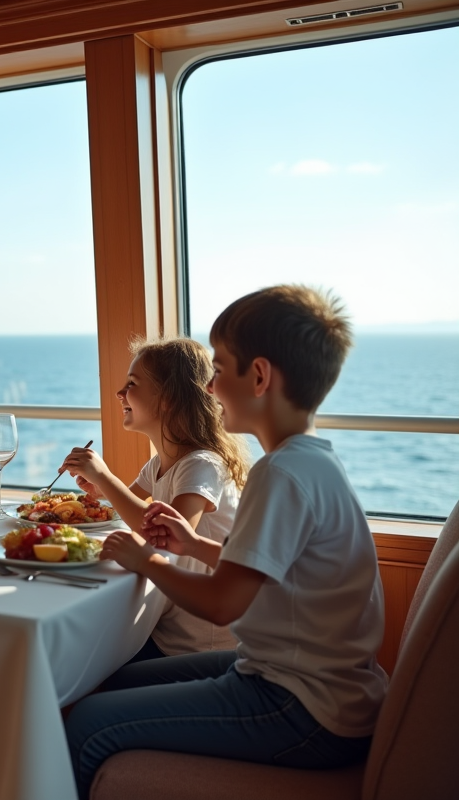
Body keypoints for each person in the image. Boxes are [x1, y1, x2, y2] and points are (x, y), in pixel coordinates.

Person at [64, 285, 387, 799]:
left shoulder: (280, 473)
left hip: (300, 705)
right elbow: (274, 570)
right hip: (319, 686)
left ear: (258, 376)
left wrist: (145, 558)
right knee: (116, 683)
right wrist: (193, 545)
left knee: (85, 724)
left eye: (219, 370)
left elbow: (221, 603)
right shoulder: (312, 461)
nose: (210, 387)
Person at [58, 337, 248, 661]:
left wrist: (105, 476)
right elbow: (128, 507)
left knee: (86, 659)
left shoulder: (202, 465)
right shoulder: (161, 462)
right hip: (168, 626)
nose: (120, 394)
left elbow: (162, 533)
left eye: (132, 384)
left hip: (202, 647)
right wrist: (100, 491)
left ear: (168, 399)